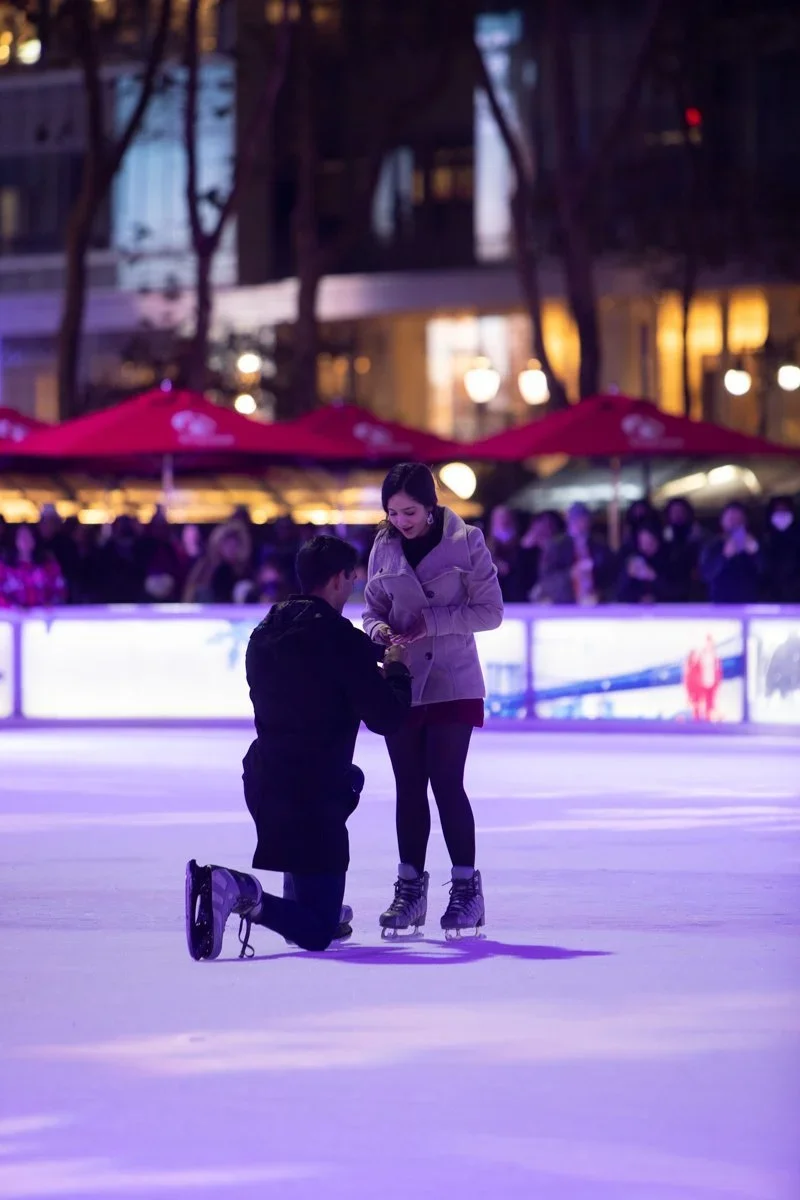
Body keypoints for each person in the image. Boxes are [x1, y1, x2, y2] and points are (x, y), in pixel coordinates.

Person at [185, 535, 412, 960]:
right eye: (351, 578)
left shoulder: (265, 630)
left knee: (311, 914)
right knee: (315, 931)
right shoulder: (338, 638)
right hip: (314, 795)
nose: (353, 585)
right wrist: (398, 672)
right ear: (338, 580)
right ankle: (240, 891)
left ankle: (312, 903)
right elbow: (387, 718)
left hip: (267, 782)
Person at [363, 462, 503, 939]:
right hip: (401, 677)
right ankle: (409, 889)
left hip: (452, 679)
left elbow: (491, 612)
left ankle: (466, 890)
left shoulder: (468, 542)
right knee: (408, 785)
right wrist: (379, 629)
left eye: (409, 512)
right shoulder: (383, 545)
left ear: (431, 505)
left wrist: (434, 623)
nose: (401, 521)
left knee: (445, 782)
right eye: (393, 512)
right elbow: (372, 608)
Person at [700, 502, 763, 604]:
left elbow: (766, 571)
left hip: (750, 603)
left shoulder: (754, 542)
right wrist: (724, 556)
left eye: (739, 519)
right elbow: (706, 574)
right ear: (722, 521)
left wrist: (755, 552)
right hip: (720, 604)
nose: (735, 523)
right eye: (731, 519)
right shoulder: (712, 544)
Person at [0, 523, 67, 609]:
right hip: (14, 619)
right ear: (14, 540)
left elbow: (61, 591)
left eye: (28, 536)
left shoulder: (49, 566)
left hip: (44, 617)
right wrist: (13, 607)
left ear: (35, 539)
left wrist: (52, 604)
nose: (25, 540)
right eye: (21, 537)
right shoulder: (4, 568)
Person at [762, 496, 800, 603]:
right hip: (771, 599)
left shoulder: (797, 537)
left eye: (784, 511)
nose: (781, 514)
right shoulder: (765, 540)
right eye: (778, 511)